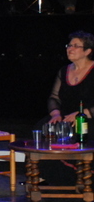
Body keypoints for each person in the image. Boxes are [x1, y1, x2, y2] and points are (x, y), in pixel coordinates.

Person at [38, 31, 94, 185]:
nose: (70, 48)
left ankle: (79, 178)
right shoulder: (64, 71)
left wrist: (83, 113)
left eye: (76, 46)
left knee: (80, 132)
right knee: (44, 127)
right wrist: (56, 114)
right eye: (69, 45)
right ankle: (46, 175)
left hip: (88, 117)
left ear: (87, 51)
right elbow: (54, 97)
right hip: (66, 117)